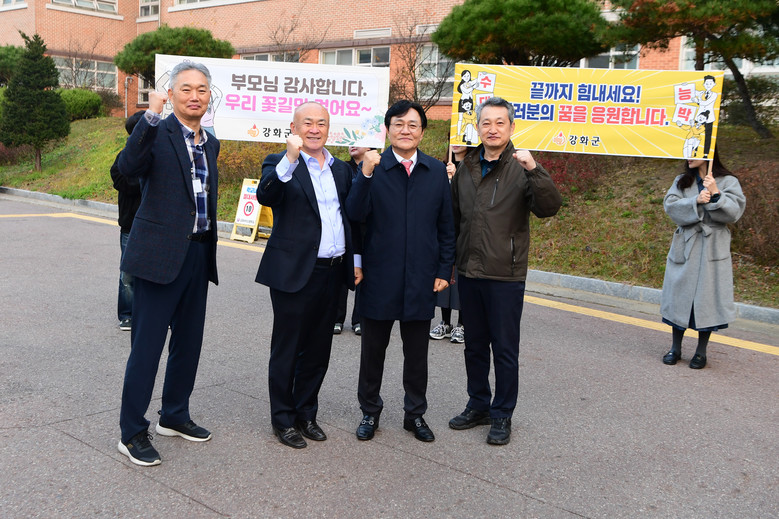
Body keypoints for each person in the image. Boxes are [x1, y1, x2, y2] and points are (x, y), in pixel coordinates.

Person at [116, 61, 220, 466]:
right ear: (171, 93)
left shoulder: (210, 142)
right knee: (147, 347)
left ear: (209, 96)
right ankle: (131, 432)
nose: (195, 96)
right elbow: (127, 168)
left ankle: (174, 415)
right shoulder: (156, 131)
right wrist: (150, 117)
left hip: (198, 253)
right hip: (159, 255)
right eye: (186, 89)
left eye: (201, 89)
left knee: (188, 343)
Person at [449, 96, 562, 446]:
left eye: (500, 122)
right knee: (474, 346)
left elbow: (549, 207)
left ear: (512, 127)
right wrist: (450, 263)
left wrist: (535, 170)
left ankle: (502, 414)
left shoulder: (521, 166)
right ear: (477, 127)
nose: (493, 129)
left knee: (504, 349)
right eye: (486, 122)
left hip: (505, 275)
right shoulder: (467, 167)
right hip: (469, 272)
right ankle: (478, 404)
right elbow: (453, 218)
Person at [346, 100, 455, 443]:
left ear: (422, 132)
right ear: (388, 129)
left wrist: (444, 269)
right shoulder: (372, 167)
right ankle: (369, 412)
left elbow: (446, 226)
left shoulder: (435, 171)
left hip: (421, 278)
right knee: (372, 352)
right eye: (399, 124)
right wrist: (365, 174)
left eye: (413, 125)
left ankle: (415, 414)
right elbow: (354, 215)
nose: (405, 130)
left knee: (417, 354)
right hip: (379, 275)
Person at [255, 102, 358, 449]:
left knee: (318, 350)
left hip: (333, 271)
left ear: (329, 129)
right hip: (295, 272)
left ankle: (306, 413)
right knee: (288, 349)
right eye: (308, 123)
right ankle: (283, 420)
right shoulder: (279, 163)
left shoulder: (341, 169)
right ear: (294, 128)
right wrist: (290, 158)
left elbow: (349, 218)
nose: (315, 129)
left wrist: (355, 261)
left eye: (322, 123)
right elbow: (266, 195)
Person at [660, 150, 746, 369]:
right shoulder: (682, 180)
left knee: (707, 300)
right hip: (686, 243)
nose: (689, 156)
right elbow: (670, 206)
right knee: (679, 297)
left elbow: (734, 213)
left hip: (712, 245)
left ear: (709, 153)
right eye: (687, 151)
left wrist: (716, 193)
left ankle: (701, 353)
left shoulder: (728, 181)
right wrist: (695, 201)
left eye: (695, 151)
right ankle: (675, 348)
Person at [430, 143, 468, 344]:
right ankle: (445, 321)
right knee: (445, 274)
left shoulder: (473, 168)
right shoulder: (441, 168)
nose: (457, 142)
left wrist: (458, 177)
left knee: (461, 279)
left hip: (465, 232)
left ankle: (462, 323)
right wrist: (446, 180)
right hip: (445, 230)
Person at [334, 146, 374, 336]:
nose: (353, 144)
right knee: (341, 273)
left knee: (366, 274)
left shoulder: (379, 168)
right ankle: (337, 318)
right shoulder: (341, 168)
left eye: (359, 140)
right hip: (346, 227)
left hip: (369, 228)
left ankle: (359, 319)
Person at [110, 110, 144, 331]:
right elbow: (121, 181)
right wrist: (145, 179)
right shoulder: (124, 157)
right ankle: (127, 315)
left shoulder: (162, 156)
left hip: (157, 226)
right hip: (131, 224)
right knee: (128, 273)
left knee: (157, 272)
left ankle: (152, 313)